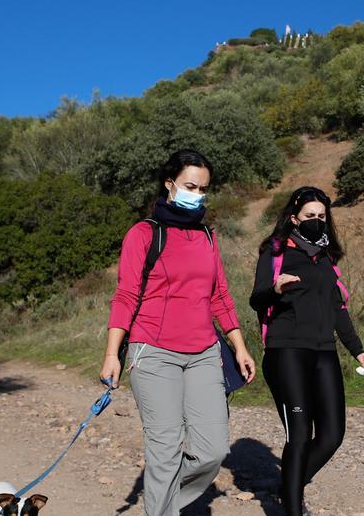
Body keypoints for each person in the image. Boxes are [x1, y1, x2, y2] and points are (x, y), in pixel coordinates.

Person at [100, 149, 256, 516]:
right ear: (169, 184)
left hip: (204, 352)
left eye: (203, 189)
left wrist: (240, 347)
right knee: (165, 450)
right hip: (152, 352)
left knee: (212, 450)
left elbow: (220, 296)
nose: (197, 194)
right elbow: (125, 295)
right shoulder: (143, 234)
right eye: (190, 186)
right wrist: (112, 354)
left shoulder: (207, 237)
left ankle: (163, 503)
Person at [250, 186, 364, 516]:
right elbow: (256, 299)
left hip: (324, 351)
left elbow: (338, 309)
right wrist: (275, 289)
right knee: (300, 435)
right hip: (286, 350)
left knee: (332, 435)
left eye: (321, 216)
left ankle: (289, 485)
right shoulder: (275, 251)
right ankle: (292, 507)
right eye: (310, 216)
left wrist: (356, 349)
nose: (317, 221)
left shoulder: (326, 257)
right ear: (294, 218)